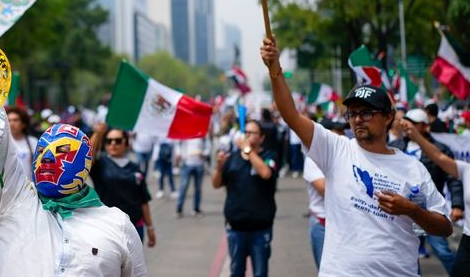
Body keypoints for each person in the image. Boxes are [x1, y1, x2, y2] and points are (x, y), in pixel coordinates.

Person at [0, 30, 147, 276]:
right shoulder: (14, 202)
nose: (47, 158)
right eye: (42, 151)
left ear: (85, 162)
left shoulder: (117, 224)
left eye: (62, 151)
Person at [261, 38, 452, 276]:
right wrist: (275, 70)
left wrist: (412, 210)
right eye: (352, 113)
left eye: (367, 112)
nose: (358, 119)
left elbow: (444, 227)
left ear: (388, 117)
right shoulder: (336, 149)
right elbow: (291, 115)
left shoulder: (412, 168)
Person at [390, 108, 463, 273]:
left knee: (443, 251)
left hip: (429, 211)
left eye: (414, 123)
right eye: (407, 122)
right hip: (401, 212)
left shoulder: (439, 150)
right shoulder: (395, 147)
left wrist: (457, 205)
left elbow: (453, 178)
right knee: (407, 254)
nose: (408, 126)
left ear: (424, 126)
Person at [212, 120, 278, 277]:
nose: (247, 136)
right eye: (246, 132)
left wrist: (248, 150)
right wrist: (219, 167)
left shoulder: (270, 156)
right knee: (236, 272)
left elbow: (266, 173)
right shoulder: (233, 157)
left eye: (252, 133)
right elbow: (216, 183)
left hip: (260, 229)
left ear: (261, 138)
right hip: (236, 229)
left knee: (260, 273)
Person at [90, 128, 156, 246]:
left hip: (134, 227)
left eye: (118, 140)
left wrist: (150, 227)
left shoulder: (135, 168)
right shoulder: (100, 164)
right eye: (109, 141)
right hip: (108, 227)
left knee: (133, 264)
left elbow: (144, 200)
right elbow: (87, 154)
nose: (113, 143)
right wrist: (98, 133)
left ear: (126, 143)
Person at [303, 119, 348, 269]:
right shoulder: (313, 160)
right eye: (338, 132)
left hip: (346, 224)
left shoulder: (348, 156)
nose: (343, 135)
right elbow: (325, 190)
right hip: (323, 225)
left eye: (343, 131)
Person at [175, 135, 210, 218]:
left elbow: (208, 146)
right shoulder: (185, 131)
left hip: (199, 164)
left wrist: (204, 153)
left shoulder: (202, 133)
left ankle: (196, 209)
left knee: (198, 188)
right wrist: (179, 154)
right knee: (183, 187)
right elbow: (177, 144)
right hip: (187, 164)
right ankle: (179, 208)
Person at [6, 106, 37, 180]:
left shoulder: (33, 142)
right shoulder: (2, 143)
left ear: (23, 124)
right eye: (9, 120)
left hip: (28, 187)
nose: (12, 123)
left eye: (15, 120)